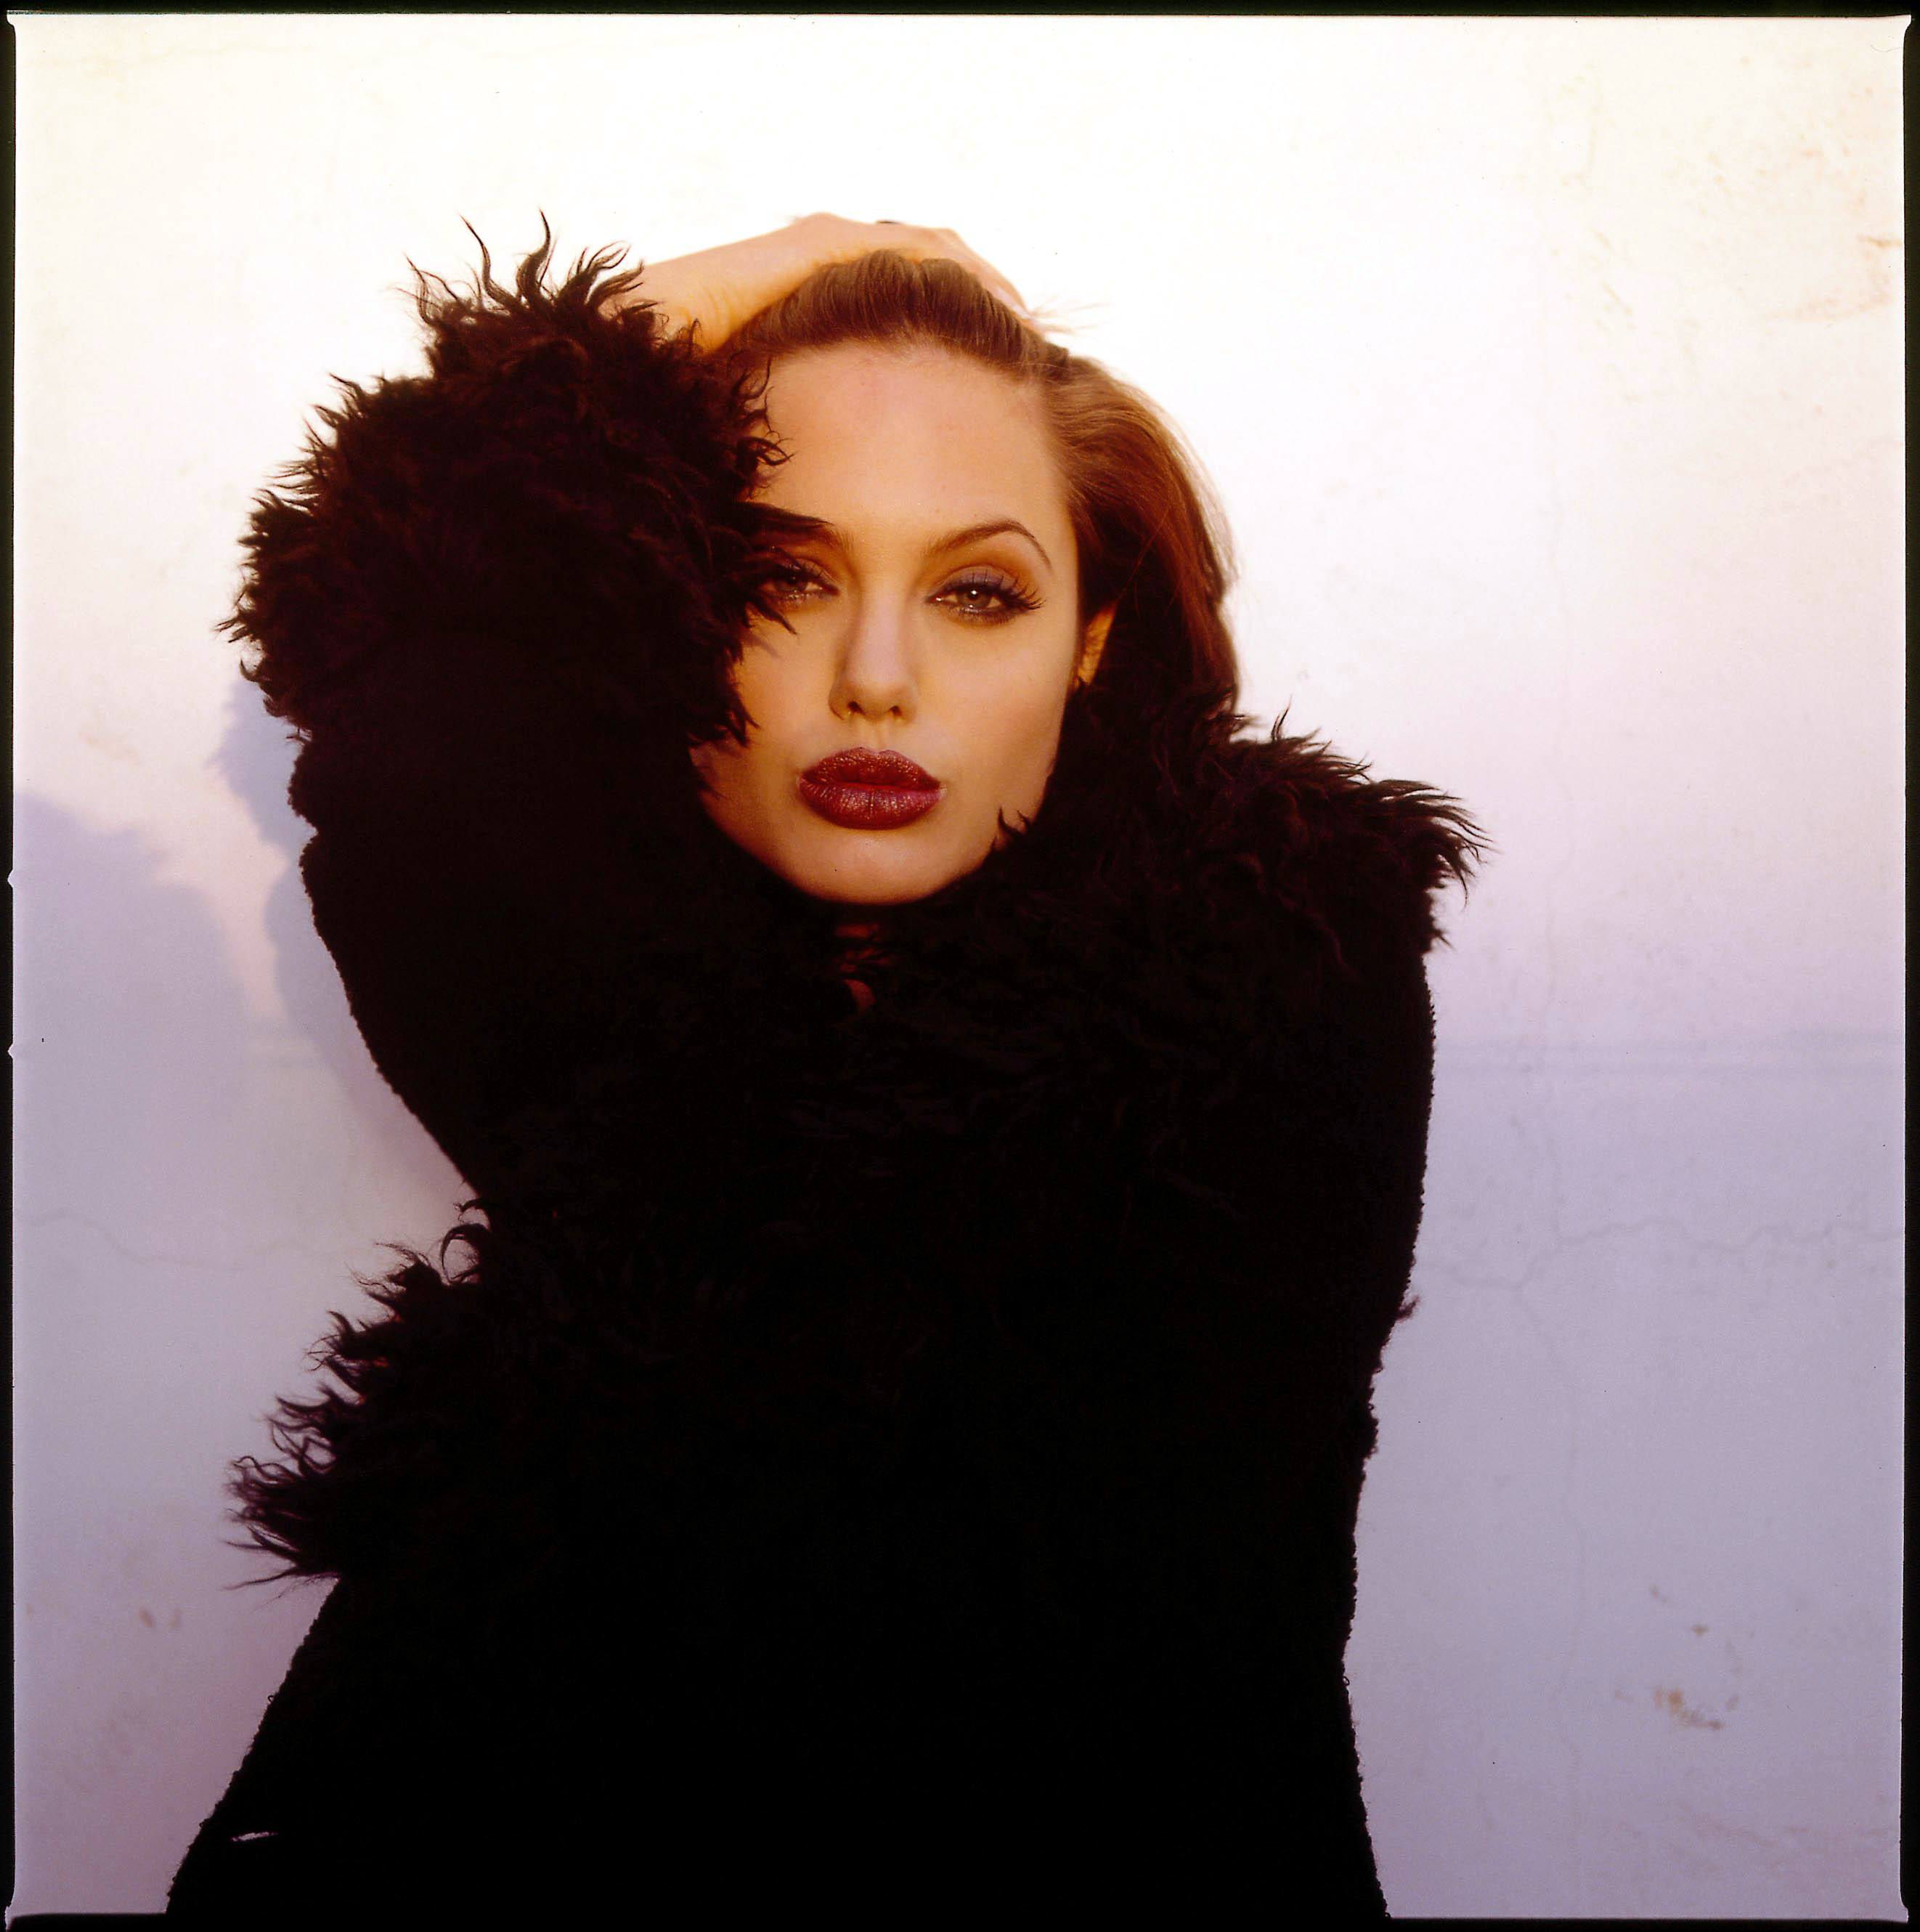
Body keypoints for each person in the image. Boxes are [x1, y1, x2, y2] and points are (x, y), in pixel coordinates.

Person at [166, 215, 1479, 1923]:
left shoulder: (1271, 970)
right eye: (783, 578)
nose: (875, 680)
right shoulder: (616, 985)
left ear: (1089, 638)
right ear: (680, 616)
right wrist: (733, 282)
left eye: (978, 593)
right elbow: (418, 716)